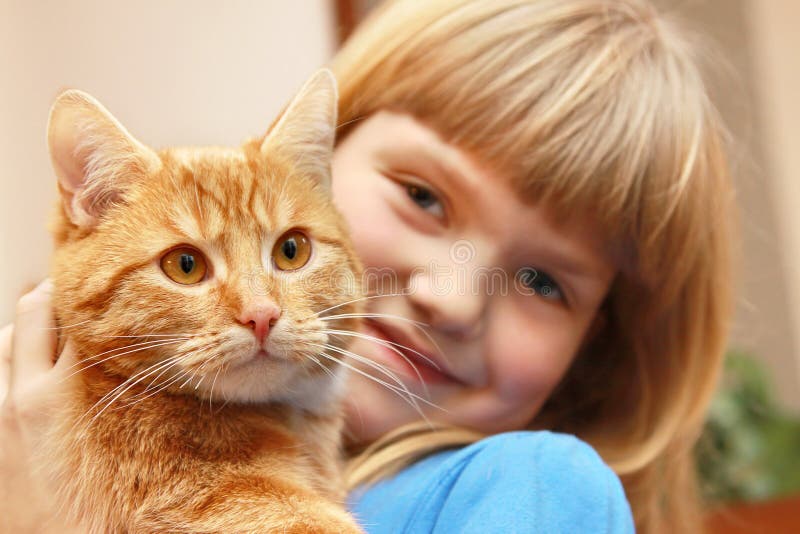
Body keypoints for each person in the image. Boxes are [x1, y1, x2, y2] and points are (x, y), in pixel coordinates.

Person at [0, 0, 735, 532]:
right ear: (324, 161)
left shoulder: (532, 488)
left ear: (596, 354)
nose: (450, 298)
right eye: (422, 195)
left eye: (542, 281)